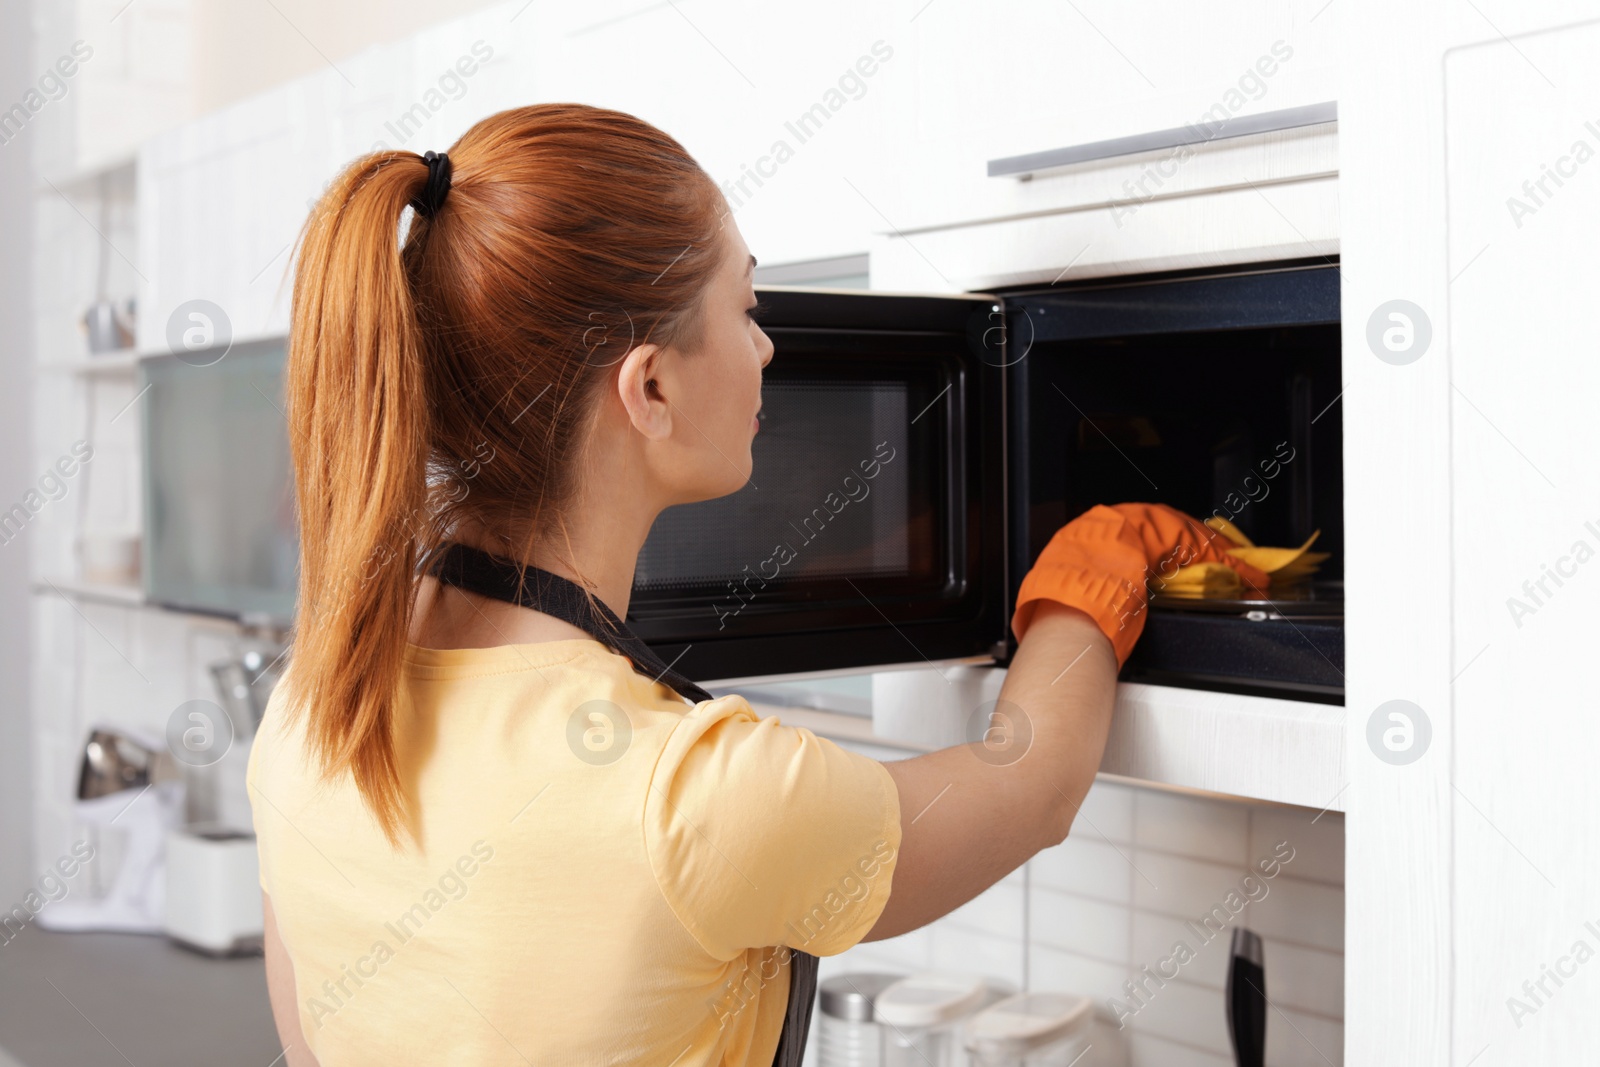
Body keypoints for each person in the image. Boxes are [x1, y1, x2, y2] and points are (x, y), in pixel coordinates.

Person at [248, 102, 1259, 1067]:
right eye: (745, 305)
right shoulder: (698, 793)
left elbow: (311, 1044)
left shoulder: (313, 711)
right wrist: (1103, 557)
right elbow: (1028, 783)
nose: (768, 346)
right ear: (650, 387)